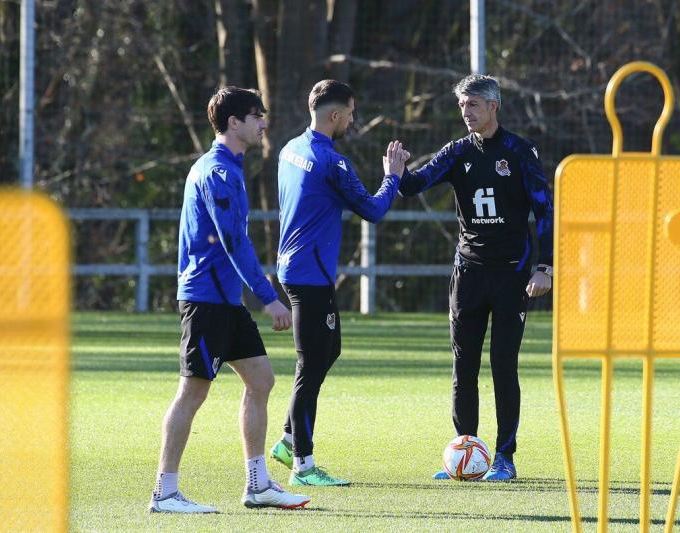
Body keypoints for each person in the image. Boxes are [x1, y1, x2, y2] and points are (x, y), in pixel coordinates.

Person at [149, 86, 310, 512]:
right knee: (192, 392)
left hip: (226, 301)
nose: (263, 122)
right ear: (234, 122)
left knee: (261, 381)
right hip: (207, 300)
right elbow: (233, 241)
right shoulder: (217, 172)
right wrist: (268, 297)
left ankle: (257, 486)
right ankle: (164, 492)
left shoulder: (231, 168)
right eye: (256, 115)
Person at [398, 74, 554, 481]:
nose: (466, 112)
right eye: (462, 106)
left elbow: (545, 213)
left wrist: (544, 267)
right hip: (468, 273)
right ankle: (466, 451)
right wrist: (395, 172)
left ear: (493, 107)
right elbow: (414, 185)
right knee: (463, 365)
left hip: (512, 275)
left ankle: (504, 456)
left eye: (473, 105)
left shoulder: (520, 152)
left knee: (503, 364)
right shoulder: (456, 152)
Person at [269, 79, 409, 486]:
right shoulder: (333, 162)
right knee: (310, 365)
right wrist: (393, 175)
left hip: (293, 267)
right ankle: (303, 467)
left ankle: (287, 440)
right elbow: (373, 209)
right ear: (334, 115)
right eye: (349, 113)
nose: (352, 119)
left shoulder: (290, 149)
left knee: (329, 349)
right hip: (310, 274)